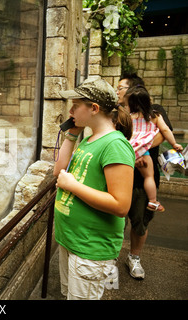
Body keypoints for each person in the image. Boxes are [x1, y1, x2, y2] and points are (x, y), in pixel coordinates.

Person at [54, 78, 135, 300]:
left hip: (90, 249)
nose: (70, 111)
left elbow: (121, 205)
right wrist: (71, 135)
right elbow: (59, 171)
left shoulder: (115, 145)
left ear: (94, 108)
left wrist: (73, 186)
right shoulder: (90, 139)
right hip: (70, 240)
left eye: (76, 105)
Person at [116, 72, 174, 280]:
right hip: (120, 177)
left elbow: (163, 133)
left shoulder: (154, 111)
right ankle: (111, 257)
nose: (117, 91)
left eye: (121, 87)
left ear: (133, 90)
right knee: (115, 220)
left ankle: (134, 257)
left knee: (140, 222)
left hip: (143, 177)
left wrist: (139, 151)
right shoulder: (120, 113)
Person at [125, 86, 183, 212]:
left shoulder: (128, 117)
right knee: (148, 177)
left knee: (126, 176)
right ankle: (152, 201)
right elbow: (165, 130)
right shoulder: (155, 116)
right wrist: (174, 144)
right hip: (144, 151)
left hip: (128, 151)